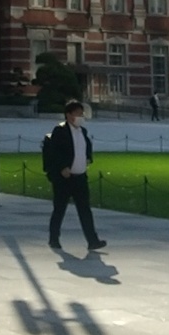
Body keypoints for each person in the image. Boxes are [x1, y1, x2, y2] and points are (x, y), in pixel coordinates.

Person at [43, 98, 108, 253]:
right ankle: (54, 238)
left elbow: (86, 147)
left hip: (80, 177)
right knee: (59, 208)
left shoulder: (82, 131)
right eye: (77, 113)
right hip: (65, 178)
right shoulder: (60, 131)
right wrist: (62, 167)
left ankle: (92, 240)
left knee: (85, 209)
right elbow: (54, 152)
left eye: (81, 113)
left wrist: (87, 159)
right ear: (68, 115)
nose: (80, 116)